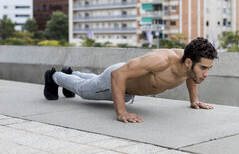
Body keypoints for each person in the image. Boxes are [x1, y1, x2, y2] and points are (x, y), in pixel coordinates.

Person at [43, 37, 218, 123]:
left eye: (208, 68)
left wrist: (194, 100)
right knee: (83, 90)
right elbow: (117, 75)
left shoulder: (188, 63)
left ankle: (71, 73)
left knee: (91, 81)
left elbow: (191, 76)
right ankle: (54, 76)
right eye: (203, 68)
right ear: (189, 62)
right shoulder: (162, 60)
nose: (205, 74)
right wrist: (121, 112)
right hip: (118, 78)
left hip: (128, 81)